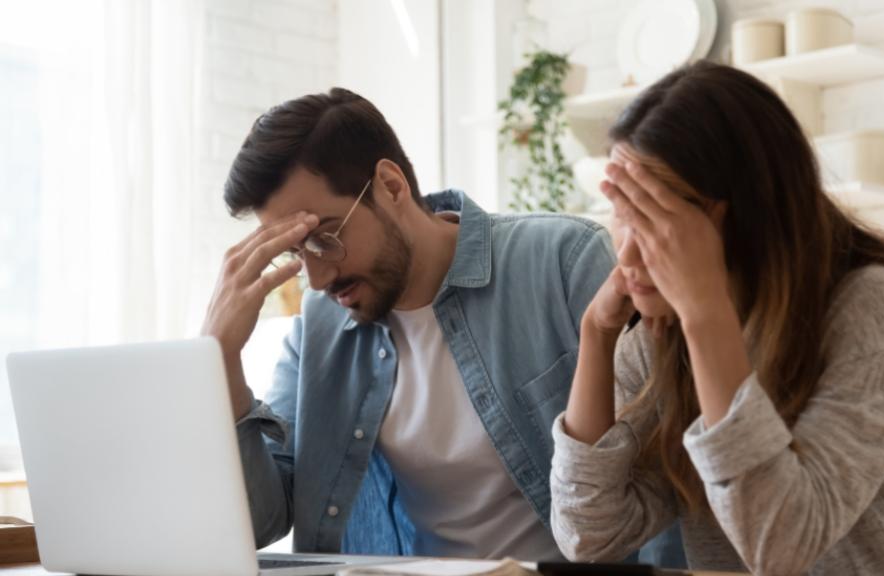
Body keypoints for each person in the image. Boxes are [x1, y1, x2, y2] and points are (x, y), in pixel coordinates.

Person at [550, 61, 884, 575]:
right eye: (621, 211)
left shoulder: (871, 304)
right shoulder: (659, 336)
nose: (628, 254)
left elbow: (784, 545)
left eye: (653, 216)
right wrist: (596, 337)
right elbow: (589, 534)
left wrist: (704, 310)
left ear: (734, 215)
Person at [199, 87, 629, 560]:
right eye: (297, 252)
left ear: (391, 186)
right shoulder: (318, 327)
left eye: (324, 238)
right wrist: (220, 360)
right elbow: (262, 521)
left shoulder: (562, 262)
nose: (317, 279)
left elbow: (656, 474)